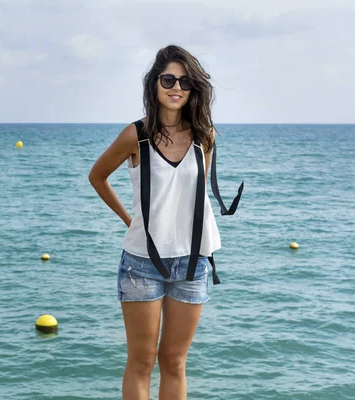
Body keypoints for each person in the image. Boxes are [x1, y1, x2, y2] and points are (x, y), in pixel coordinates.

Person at [89, 45, 241, 400]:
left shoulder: (205, 135)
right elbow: (97, 176)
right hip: (141, 264)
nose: (176, 87)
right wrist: (131, 219)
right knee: (141, 362)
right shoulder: (135, 136)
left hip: (192, 261)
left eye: (185, 81)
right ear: (154, 84)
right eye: (168, 79)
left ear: (193, 89)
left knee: (174, 362)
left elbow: (192, 195)